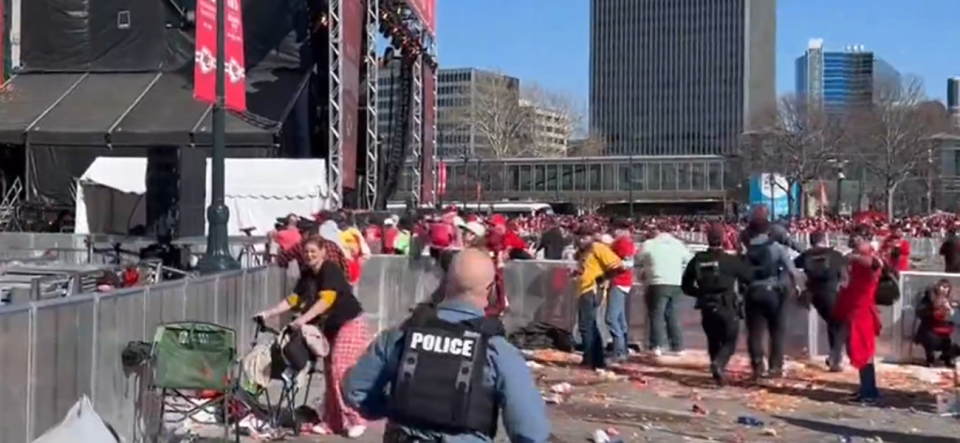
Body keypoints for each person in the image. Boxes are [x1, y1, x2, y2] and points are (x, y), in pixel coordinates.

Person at [342, 247, 550, 443]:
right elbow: (530, 430)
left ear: (445, 282)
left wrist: (394, 409)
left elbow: (355, 390)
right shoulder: (498, 350)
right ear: (490, 289)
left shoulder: (401, 334)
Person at [255, 236, 369, 437]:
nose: (309, 255)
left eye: (313, 251)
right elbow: (293, 299)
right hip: (330, 327)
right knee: (328, 373)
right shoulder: (307, 274)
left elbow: (326, 301)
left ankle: (356, 418)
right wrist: (268, 313)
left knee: (340, 370)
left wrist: (302, 320)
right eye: (306, 252)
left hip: (349, 323)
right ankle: (332, 422)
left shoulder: (330, 270)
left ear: (323, 251)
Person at [681, 224, 752, 385]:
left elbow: (686, 285)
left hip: (706, 304)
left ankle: (717, 375)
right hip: (726, 304)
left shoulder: (697, 260)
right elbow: (749, 276)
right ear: (723, 239)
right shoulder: (729, 261)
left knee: (713, 339)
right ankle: (719, 364)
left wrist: (700, 293)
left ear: (707, 239)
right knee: (730, 340)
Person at [741, 216, 798, 379]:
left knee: (755, 333)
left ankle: (758, 365)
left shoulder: (747, 249)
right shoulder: (777, 248)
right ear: (768, 230)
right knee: (777, 331)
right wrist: (797, 287)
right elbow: (792, 271)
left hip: (753, 292)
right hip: (774, 292)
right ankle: (775, 367)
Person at [834, 227, 882, 403]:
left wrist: (854, 257)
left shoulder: (870, 258)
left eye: (857, 238)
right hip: (854, 308)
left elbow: (876, 265)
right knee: (858, 349)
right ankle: (866, 389)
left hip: (862, 311)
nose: (853, 241)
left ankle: (869, 391)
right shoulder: (856, 260)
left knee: (863, 350)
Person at [794, 231, 847, 372]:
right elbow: (844, 274)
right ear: (825, 240)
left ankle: (835, 359)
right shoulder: (835, 255)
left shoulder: (806, 255)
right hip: (830, 294)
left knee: (833, 323)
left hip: (813, 295)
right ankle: (835, 357)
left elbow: (794, 266)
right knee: (840, 324)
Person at [639, 223, 693, 356]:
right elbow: (689, 259)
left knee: (656, 314)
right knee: (671, 313)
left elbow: (638, 257)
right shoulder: (678, 244)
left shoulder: (649, 244)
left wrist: (646, 268)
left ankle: (656, 345)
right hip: (675, 282)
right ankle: (677, 346)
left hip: (657, 281)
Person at [576, 226, 624, 369]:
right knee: (589, 325)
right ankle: (596, 359)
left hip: (592, 290)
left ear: (592, 237)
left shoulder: (598, 248)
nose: (581, 240)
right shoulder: (584, 252)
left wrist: (601, 278)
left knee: (586, 325)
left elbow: (619, 267)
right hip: (584, 290)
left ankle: (590, 358)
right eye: (579, 237)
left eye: (585, 237)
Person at [607, 221, 637, 361]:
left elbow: (628, 263)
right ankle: (622, 349)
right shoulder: (626, 242)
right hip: (623, 282)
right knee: (620, 318)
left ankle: (619, 351)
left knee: (611, 318)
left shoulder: (622, 243)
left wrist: (611, 269)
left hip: (619, 282)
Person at [914, 279, 957, 367]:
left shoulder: (952, 301)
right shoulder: (928, 298)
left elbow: (956, 318)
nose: (943, 289)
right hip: (930, 328)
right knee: (930, 338)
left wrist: (951, 310)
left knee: (953, 341)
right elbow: (919, 312)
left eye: (946, 287)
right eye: (942, 286)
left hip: (946, 330)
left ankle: (947, 357)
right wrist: (932, 308)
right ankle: (930, 358)